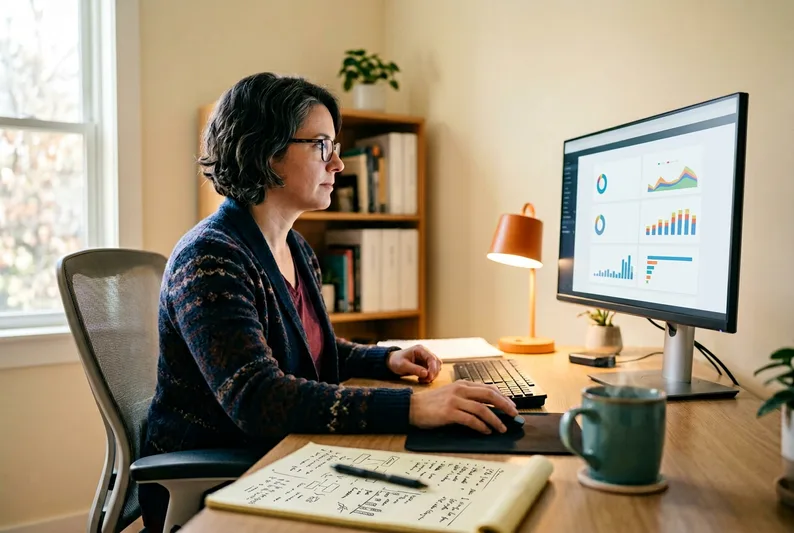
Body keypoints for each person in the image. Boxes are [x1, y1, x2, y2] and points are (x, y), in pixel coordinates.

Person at [139, 72, 518, 531]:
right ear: (266, 151)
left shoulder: (295, 248)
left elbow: (311, 352)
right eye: (322, 146)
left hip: (285, 454)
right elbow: (258, 399)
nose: (338, 163)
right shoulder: (210, 258)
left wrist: (387, 359)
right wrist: (414, 408)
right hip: (220, 472)